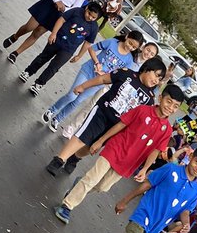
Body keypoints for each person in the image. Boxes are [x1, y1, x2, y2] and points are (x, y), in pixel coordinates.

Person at [53, 84, 182, 223]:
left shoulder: (167, 130)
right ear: (160, 97)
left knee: (102, 187)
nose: (170, 107)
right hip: (115, 148)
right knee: (92, 179)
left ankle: (77, 187)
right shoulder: (142, 110)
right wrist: (101, 140)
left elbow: (156, 150)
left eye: (175, 106)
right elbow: (121, 124)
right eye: (169, 101)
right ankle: (67, 206)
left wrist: (145, 169)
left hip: (129, 163)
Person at [46, 57, 167, 177]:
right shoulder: (126, 73)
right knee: (83, 136)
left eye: (159, 79)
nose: (156, 80)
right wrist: (83, 86)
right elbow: (103, 78)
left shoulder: (149, 99)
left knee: (90, 147)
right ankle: (58, 160)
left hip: (116, 126)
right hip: (102, 112)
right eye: (156, 75)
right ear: (146, 69)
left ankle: (75, 157)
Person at [42, 29, 144, 131]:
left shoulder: (129, 60)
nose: (130, 47)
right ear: (127, 37)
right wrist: (97, 63)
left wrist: (105, 75)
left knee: (77, 101)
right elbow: (92, 49)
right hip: (88, 71)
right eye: (130, 43)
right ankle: (52, 110)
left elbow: (117, 75)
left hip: (99, 82)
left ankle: (58, 119)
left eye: (134, 47)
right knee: (72, 95)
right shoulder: (112, 42)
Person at [2, 0, 96, 62]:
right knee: (29, 27)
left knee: (38, 32)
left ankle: (16, 53)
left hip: (59, 13)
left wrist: (64, 8)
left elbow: (76, 8)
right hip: (48, 3)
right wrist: (57, 0)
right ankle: (15, 36)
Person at [15, 0, 103, 97]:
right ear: (86, 8)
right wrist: (53, 33)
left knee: (54, 67)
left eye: (93, 17)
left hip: (68, 50)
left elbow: (87, 43)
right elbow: (61, 20)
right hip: (57, 40)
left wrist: (79, 56)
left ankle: (39, 84)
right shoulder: (76, 11)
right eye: (89, 14)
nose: (90, 17)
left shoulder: (94, 27)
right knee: (43, 57)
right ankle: (28, 72)